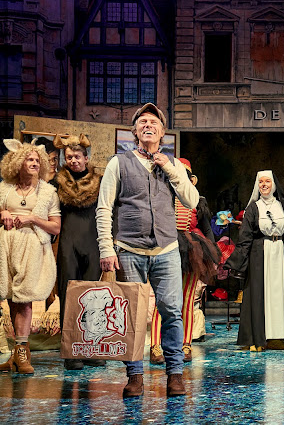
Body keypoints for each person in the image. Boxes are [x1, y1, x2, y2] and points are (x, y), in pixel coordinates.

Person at [96, 103, 198, 397]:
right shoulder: (119, 163)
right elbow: (104, 208)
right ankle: (135, 376)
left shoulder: (173, 164)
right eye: (143, 122)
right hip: (129, 250)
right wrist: (106, 248)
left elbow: (191, 201)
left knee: (172, 312)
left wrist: (169, 168)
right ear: (135, 131)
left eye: (154, 122)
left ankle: (175, 375)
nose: (148, 126)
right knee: (132, 315)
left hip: (166, 249)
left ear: (163, 132)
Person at [149, 158, 220, 364]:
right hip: (167, 246)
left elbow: (206, 228)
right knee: (162, 299)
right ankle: (155, 346)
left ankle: (185, 344)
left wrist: (213, 254)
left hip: (191, 251)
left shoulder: (197, 199)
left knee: (188, 300)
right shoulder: (161, 196)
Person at [0, 139, 61, 374]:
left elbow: (56, 227)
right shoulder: (5, 188)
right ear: (17, 162)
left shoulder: (47, 192)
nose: (35, 163)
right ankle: (16, 354)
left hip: (32, 247)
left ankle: (23, 353)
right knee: (11, 298)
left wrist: (33, 218)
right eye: (29, 159)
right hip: (7, 245)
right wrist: (3, 212)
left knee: (24, 300)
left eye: (37, 160)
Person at [224, 171, 284, 352]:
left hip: (279, 252)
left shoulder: (282, 206)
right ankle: (258, 338)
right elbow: (245, 237)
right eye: (261, 182)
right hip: (259, 254)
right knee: (260, 294)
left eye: (267, 181)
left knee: (278, 294)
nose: (264, 185)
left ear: (273, 184)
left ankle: (278, 337)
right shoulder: (254, 208)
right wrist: (236, 261)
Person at [53, 133, 105, 370]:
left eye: (77, 156)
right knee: (69, 296)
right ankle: (70, 351)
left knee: (92, 297)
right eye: (69, 157)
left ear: (86, 158)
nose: (73, 160)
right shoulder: (57, 183)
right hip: (68, 245)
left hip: (93, 243)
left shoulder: (100, 182)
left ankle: (89, 349)